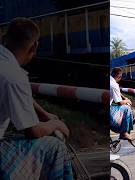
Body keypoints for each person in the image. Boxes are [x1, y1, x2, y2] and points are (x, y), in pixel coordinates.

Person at [0, 17, 73, 179]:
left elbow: (19, 94)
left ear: (4, 39)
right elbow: (33, 131)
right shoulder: (14, 75)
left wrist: (44, 113)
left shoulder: (7, 69)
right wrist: (55, 123)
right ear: (34, 46)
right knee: (55, 147)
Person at [110, 68, 134, 140]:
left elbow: (117, 93)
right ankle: (123, 133)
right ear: (119, 76)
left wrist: (124, 97)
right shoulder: (114, 85)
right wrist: (128, 101)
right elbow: (119, 103)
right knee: (127, 108)